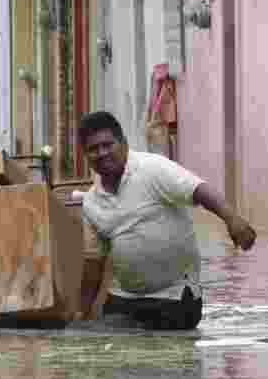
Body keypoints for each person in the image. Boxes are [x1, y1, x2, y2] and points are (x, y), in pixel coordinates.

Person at [77, 111, 257, 330]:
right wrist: (81, 314)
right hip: (124, 298)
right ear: (86, 156)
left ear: (123, 143)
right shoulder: (91, 202)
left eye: (107, 145)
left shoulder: (152, 169)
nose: (102, 153)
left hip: (175, 297)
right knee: (106, 335)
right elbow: (93, 264)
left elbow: (197, 189)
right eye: (93, 149)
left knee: (132, 333)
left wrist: (232, 219)